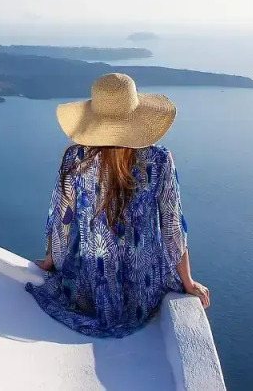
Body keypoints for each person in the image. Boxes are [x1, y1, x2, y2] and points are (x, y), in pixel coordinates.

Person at [26, 72, 210, 338]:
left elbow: (61, 219)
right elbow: (172, 226)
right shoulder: (159, 160)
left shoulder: (76, 159)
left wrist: (49, 261)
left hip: (90, 283)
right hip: (143, 286)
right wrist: (188, 281)